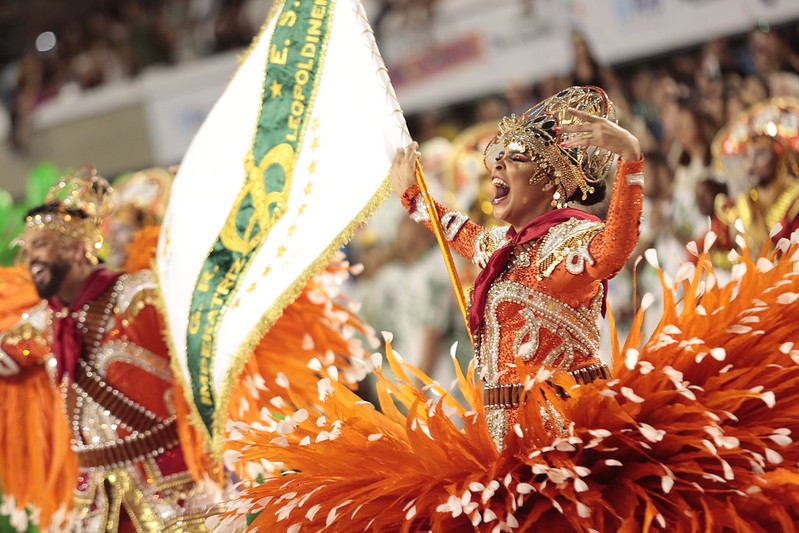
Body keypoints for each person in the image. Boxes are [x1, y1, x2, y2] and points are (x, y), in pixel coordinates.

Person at [390, 85, 643, 448]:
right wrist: (413, 197)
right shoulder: (503, 246)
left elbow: (613, 249)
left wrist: (630, 158)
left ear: (551, 182)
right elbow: (463, 233)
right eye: (497, 160)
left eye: (516, 159)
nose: (498, 166)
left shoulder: (568, 239)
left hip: (570, 439)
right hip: (506, 441)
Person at [0, 166, 212, 532]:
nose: (29, 257)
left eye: (41, 244)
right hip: (96, 503)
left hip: (175, 488)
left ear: (77, 247)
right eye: (26, 247)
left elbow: (207, 322)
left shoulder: (142, 296)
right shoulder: (39, 324)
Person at [711, 97, 799, 254]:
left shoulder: (795, 201)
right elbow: (713, 251)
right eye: (747, 156)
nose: (751, 164)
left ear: (779, 158)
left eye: (760, 155)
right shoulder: (739, 206)